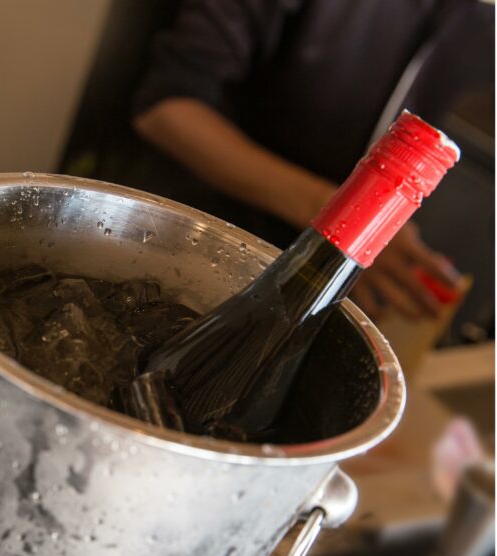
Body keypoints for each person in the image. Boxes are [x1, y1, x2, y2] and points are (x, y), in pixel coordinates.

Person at [129, 0, 494, 321]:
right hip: (181, 255)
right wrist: (348, 219)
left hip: (298, 300)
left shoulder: (478, 22)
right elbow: (166, 108)